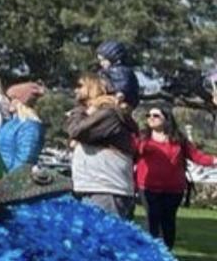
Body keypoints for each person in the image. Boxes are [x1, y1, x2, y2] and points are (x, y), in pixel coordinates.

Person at [135, 105, 216, 249]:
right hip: (148, 188)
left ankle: (167, 253)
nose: (151, 118)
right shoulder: (142, 139)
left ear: (166, 119)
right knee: (152, 220)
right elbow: (132, 156)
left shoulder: (179, 140)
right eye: (149, 115)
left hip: (173, 190)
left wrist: (213, 160)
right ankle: (151, 253)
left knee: (168, 222)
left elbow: (196, 156)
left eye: (156, 115)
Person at [65, 73, 138, 219]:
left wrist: (79, 110)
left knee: (107, 239)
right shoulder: (97, 113)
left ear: (94, 88)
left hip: (106, 190)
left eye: (80, 86)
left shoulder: (109, 113)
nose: (76, 91)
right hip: (91, 187)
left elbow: (77, 131)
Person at [0, 82, 46, 170]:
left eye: (11, 99)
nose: (8, 102)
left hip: (12, 178)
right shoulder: (9, 124)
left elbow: (25, 158)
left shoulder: (30, 126)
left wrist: (11, 178)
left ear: (20, 101)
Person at [97, 41, 140, 109]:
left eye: (103, 60)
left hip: (118, 103)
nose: (101, 63)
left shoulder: (119, 71)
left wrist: (119, 96)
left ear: (113, 58)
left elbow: (123, 85)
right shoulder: (106, 72)